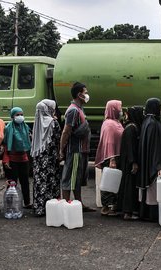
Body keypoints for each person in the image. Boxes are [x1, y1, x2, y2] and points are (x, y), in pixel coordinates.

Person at [59, 82, 95, 212]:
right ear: (79, 95)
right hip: (75, 150)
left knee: (77, 178)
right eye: (85, 93)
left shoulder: (79, 109)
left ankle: (79, 203)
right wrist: (61, 149)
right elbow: (66, 131)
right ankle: (67, 205)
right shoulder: (73, 110)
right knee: (70, 178)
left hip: (81, 150)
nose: (86, 95)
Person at [139, 98, 161, 221]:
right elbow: (155, 146)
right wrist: (158, 167)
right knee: (153, 190)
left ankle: (145, 213)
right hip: (154, 163)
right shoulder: (153, 124)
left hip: (148, 161)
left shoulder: (148, 121)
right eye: (160, 106)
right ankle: (152, 215)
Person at [30, 99, 61, 216]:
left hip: (39, 157)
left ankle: (39, 208)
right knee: (51, 181)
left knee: (39, 181)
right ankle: (52, 209)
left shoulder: (37, 122)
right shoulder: (53, 123)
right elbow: (58, 138)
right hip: (50, 157)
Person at [95, 100, 124, 216]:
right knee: (109, 183)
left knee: (113, 182)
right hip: (111, 157)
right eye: (119, 108)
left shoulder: (115, 122)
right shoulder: (109, 124)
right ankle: (106, 207)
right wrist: (112, 159)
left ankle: (112, 206)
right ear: (113, 109)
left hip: (116, 156)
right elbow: (109, 143)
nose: (121, 111)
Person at [117, 106, 144, 220]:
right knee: (129, 186)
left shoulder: (131, 127)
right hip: (129, 163)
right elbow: (130, 147)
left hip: (127, 161)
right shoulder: (131, 128)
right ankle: (127, 212)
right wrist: (133, 162)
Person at [2, 107, 32, 209]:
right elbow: (5, 145)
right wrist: (6, 159)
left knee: (25, 182)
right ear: (12, 117)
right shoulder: (8, 128)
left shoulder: (25, 127)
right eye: (17, 115)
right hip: (12, 159)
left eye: (21, 114)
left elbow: (28, 143)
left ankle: (27, 203)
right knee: (12, 183)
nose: (20, 117)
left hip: (24, 159)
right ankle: (10, 204)